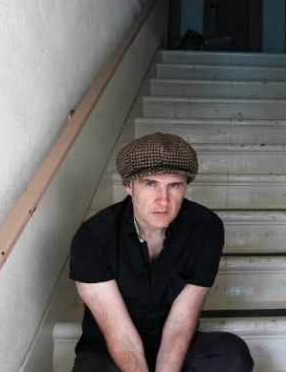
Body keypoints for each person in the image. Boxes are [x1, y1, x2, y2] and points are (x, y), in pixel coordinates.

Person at [69, 132, 253, 371]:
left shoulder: (205, 227)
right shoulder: (94, 236)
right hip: (110, 351)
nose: (163, 200)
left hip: (176, 347)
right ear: (129, 186)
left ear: (185, 187)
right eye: (151, 184)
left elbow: (181, 322)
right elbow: (119, 332)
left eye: (174, 185)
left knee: (231, 354)